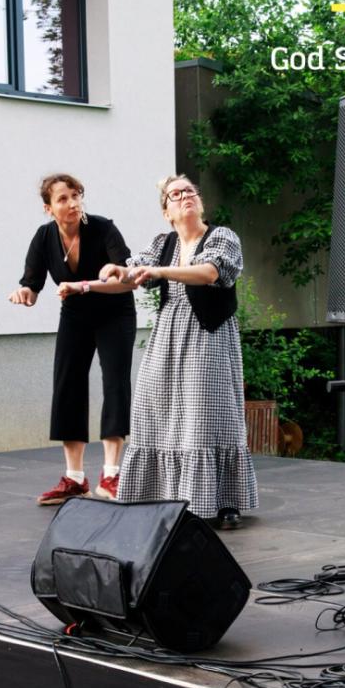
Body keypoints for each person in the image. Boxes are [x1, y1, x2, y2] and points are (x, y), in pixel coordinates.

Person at [99, 175, 257, 529]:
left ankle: (224, 500)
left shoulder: (222, 237)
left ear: (200, 201)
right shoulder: (163, 243)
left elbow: (209, 273)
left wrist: (156, 270)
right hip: (168, 334)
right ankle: (160, 495)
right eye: (175, 194)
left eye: (190, 191)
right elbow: (131, 275)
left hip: (207, 333)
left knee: (207, 415)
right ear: (166, 211)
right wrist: (89, 284)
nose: (185, 196)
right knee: (153, 408)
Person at [8, 174, 136, 503]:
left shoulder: (104, 228)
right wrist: (24, 293)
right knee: (67, 385)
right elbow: (32, 285)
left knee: (115, 383)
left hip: (114, 312)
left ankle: (111, 475)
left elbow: (127, 278)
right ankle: (75, 479)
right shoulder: (44, 237)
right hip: (76, 314)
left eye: (76, 195)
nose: (73, 203)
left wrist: (95, 280)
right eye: (63, 198)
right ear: (48, 208)